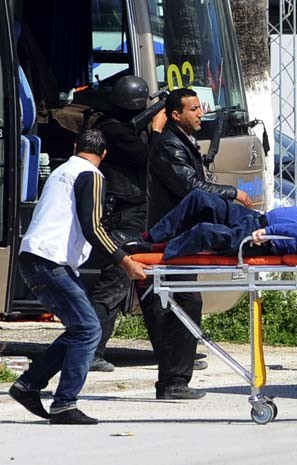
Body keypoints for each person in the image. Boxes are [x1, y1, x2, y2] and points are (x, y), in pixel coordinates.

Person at [9, 129, 149, 425]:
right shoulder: (92, 175)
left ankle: (29, 385)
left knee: (80, 329)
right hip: (49, 260)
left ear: (75, 147)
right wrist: (125, 261)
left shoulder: (62, 171)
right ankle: (64, 404)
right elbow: (93, 228)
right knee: (89, 329)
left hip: (34, 257)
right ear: (105, 154)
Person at [141, 88, 252, 400]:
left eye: (199, 108)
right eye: (192, 109)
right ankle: (173, 382)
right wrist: (231, 193)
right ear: (176, 115)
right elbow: (190, 187)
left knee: (182, 304)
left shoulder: (182, 141)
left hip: (183, 237)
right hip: (174, 238)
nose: (200, 113)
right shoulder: (168, 146)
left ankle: (173, 382)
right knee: (183, 304)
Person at [87, 75, 166, 372]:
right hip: (124, 216)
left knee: (152, 287)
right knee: (114, 285)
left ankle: (169, 353)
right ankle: (91, 351)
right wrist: (156, 131)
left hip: (137, 214)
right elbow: (150, 160)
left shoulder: (116, 127)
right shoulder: (114, 131)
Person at [133, 189, 297, 260]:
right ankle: (151, 235)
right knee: (201, 199)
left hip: (263, 240)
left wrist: (270, 231)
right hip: (258, 221)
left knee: (204, 232)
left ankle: (155, 250)